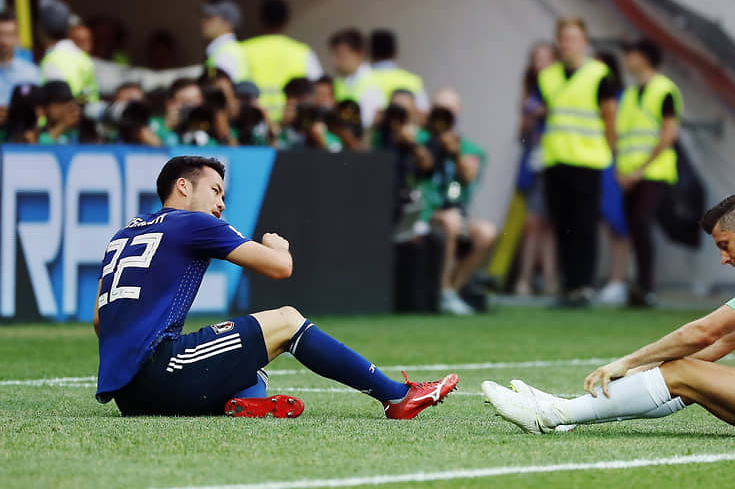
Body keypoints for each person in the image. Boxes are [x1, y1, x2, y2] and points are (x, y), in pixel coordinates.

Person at [483, 193, 735, 439]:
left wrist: (627, 363)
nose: (724, 259)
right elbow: (720, 346)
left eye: (725, 245)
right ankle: (567, 411)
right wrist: (650, 372)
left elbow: (706, 332)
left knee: (684, 373)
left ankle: (552, 416)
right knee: (689, 374)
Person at [93, 155, 459, 418]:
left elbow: (99, 320)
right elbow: (281, 268)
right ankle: (397, 397)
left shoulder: (122, 234)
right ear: (183, 186)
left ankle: (246, 401)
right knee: (286, 322)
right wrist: (278, 246)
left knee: (251, 359)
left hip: (129, 396)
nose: (221, 204)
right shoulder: (193, 223)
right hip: (160, 373)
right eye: (216, 191)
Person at [539, 18, 619, 306]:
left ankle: (583, 285)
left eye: (573, 38)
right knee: (561, 225)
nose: (567, 44)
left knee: (584, 226)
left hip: (587, 161)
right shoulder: (548, 76)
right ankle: (568, 285)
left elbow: (610, 117)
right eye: (563, 39)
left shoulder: (599, 75)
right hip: (555, 160)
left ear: (584, 42)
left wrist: (610, 151)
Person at [612, 37, 683, 307]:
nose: (626, 59)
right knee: (634, 227)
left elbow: (668, 134)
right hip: (629, 174)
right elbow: (624, 137)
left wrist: (640, 170)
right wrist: (621, 171)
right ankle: (640, 287)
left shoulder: (665, 90)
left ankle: (647, 286)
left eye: (630, 53)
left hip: (655, 172)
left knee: (642, 223)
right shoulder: (629, 95)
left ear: (643, 58)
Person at [422, 87, 496, 315]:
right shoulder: (419, 140)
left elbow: (469, 175)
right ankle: (443, 292)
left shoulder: (468, 148)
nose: (444, 115)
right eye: (439, 109)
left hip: (454, 212)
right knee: (450, 221)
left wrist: (454, 153)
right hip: (423, 212)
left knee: (486, 232)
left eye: (450, 110)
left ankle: (451, 290)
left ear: (459, 113)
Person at [513, 41, 559, 298]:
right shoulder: (530, 92)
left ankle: (550, 279)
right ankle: (524, 279)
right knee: (533, 222)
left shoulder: (560, 88)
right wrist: (529, 120)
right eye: (535, 59)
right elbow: (522, 134)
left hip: (556, 160)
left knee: (550, 223)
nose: (539, 64)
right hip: (534, 162)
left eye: (544, 58)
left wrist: (546, 111)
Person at [242, 0, 324, 123]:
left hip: (255, 123)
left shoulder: (244, 49)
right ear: (287, 20)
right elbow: (319, 90)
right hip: (292, 122)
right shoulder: (302, 52)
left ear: (261, 19)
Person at [593, 49, 632, 306]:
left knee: (617, 222)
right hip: (592, 163)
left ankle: (619, 279)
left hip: (613, 164)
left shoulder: (621, 99)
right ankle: (605, 278)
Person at [37, 0, 99, 102]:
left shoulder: (53, 61)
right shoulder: (82, 57)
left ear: (41, 29)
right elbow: (85, 97)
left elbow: (60, 103)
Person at [328, 28, 384, 128]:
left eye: (340, 55)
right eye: (333, 54)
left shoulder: (373, 82)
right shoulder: (339, 82)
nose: (334, 61)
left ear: (359, 54)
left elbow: (368, 122)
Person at [369, 29, 429, 117]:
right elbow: (423, 112)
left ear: (370, 52)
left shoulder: (362, 80)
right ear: (395, 52)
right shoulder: (412, 80)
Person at [0, 11, 41, 124]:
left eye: (8, 34)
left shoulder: (32, 73)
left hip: (21, 133)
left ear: (17, 37)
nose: (3, 40)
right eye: (0, 34)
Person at [201, 0, 250, 82]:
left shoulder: (226, 53)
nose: (203, 22)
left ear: (227, 23)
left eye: (210, 18)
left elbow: (221, 86)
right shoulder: (229, 49)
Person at [37, 80, 81, 145]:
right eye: (58, 103)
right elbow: (41, 145)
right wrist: (63, 124)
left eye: (67, 102)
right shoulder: (38, 133)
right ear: (45, 108)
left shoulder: (76, 131)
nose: (64, 108)